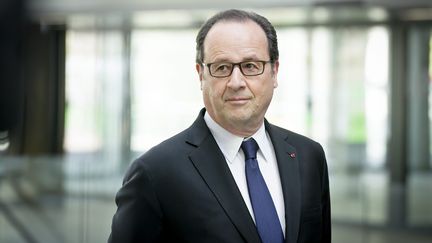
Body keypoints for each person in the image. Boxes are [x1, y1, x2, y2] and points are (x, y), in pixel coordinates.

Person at [108, 9, 331, 243]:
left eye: (251, 66)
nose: (236, 82)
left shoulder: (309, 156)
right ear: (201, 75)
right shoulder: (155, 173)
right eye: (222, 67)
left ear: (274, 72)